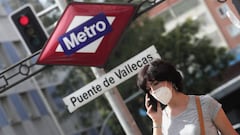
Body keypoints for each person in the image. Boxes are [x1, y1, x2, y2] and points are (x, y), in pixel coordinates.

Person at [137, 58, 238, 135]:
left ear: (169, 80)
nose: (153, 91)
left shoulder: (204, 103)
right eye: (149, 89)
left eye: (155, 84)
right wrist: (156, 122)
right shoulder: (161, 120)